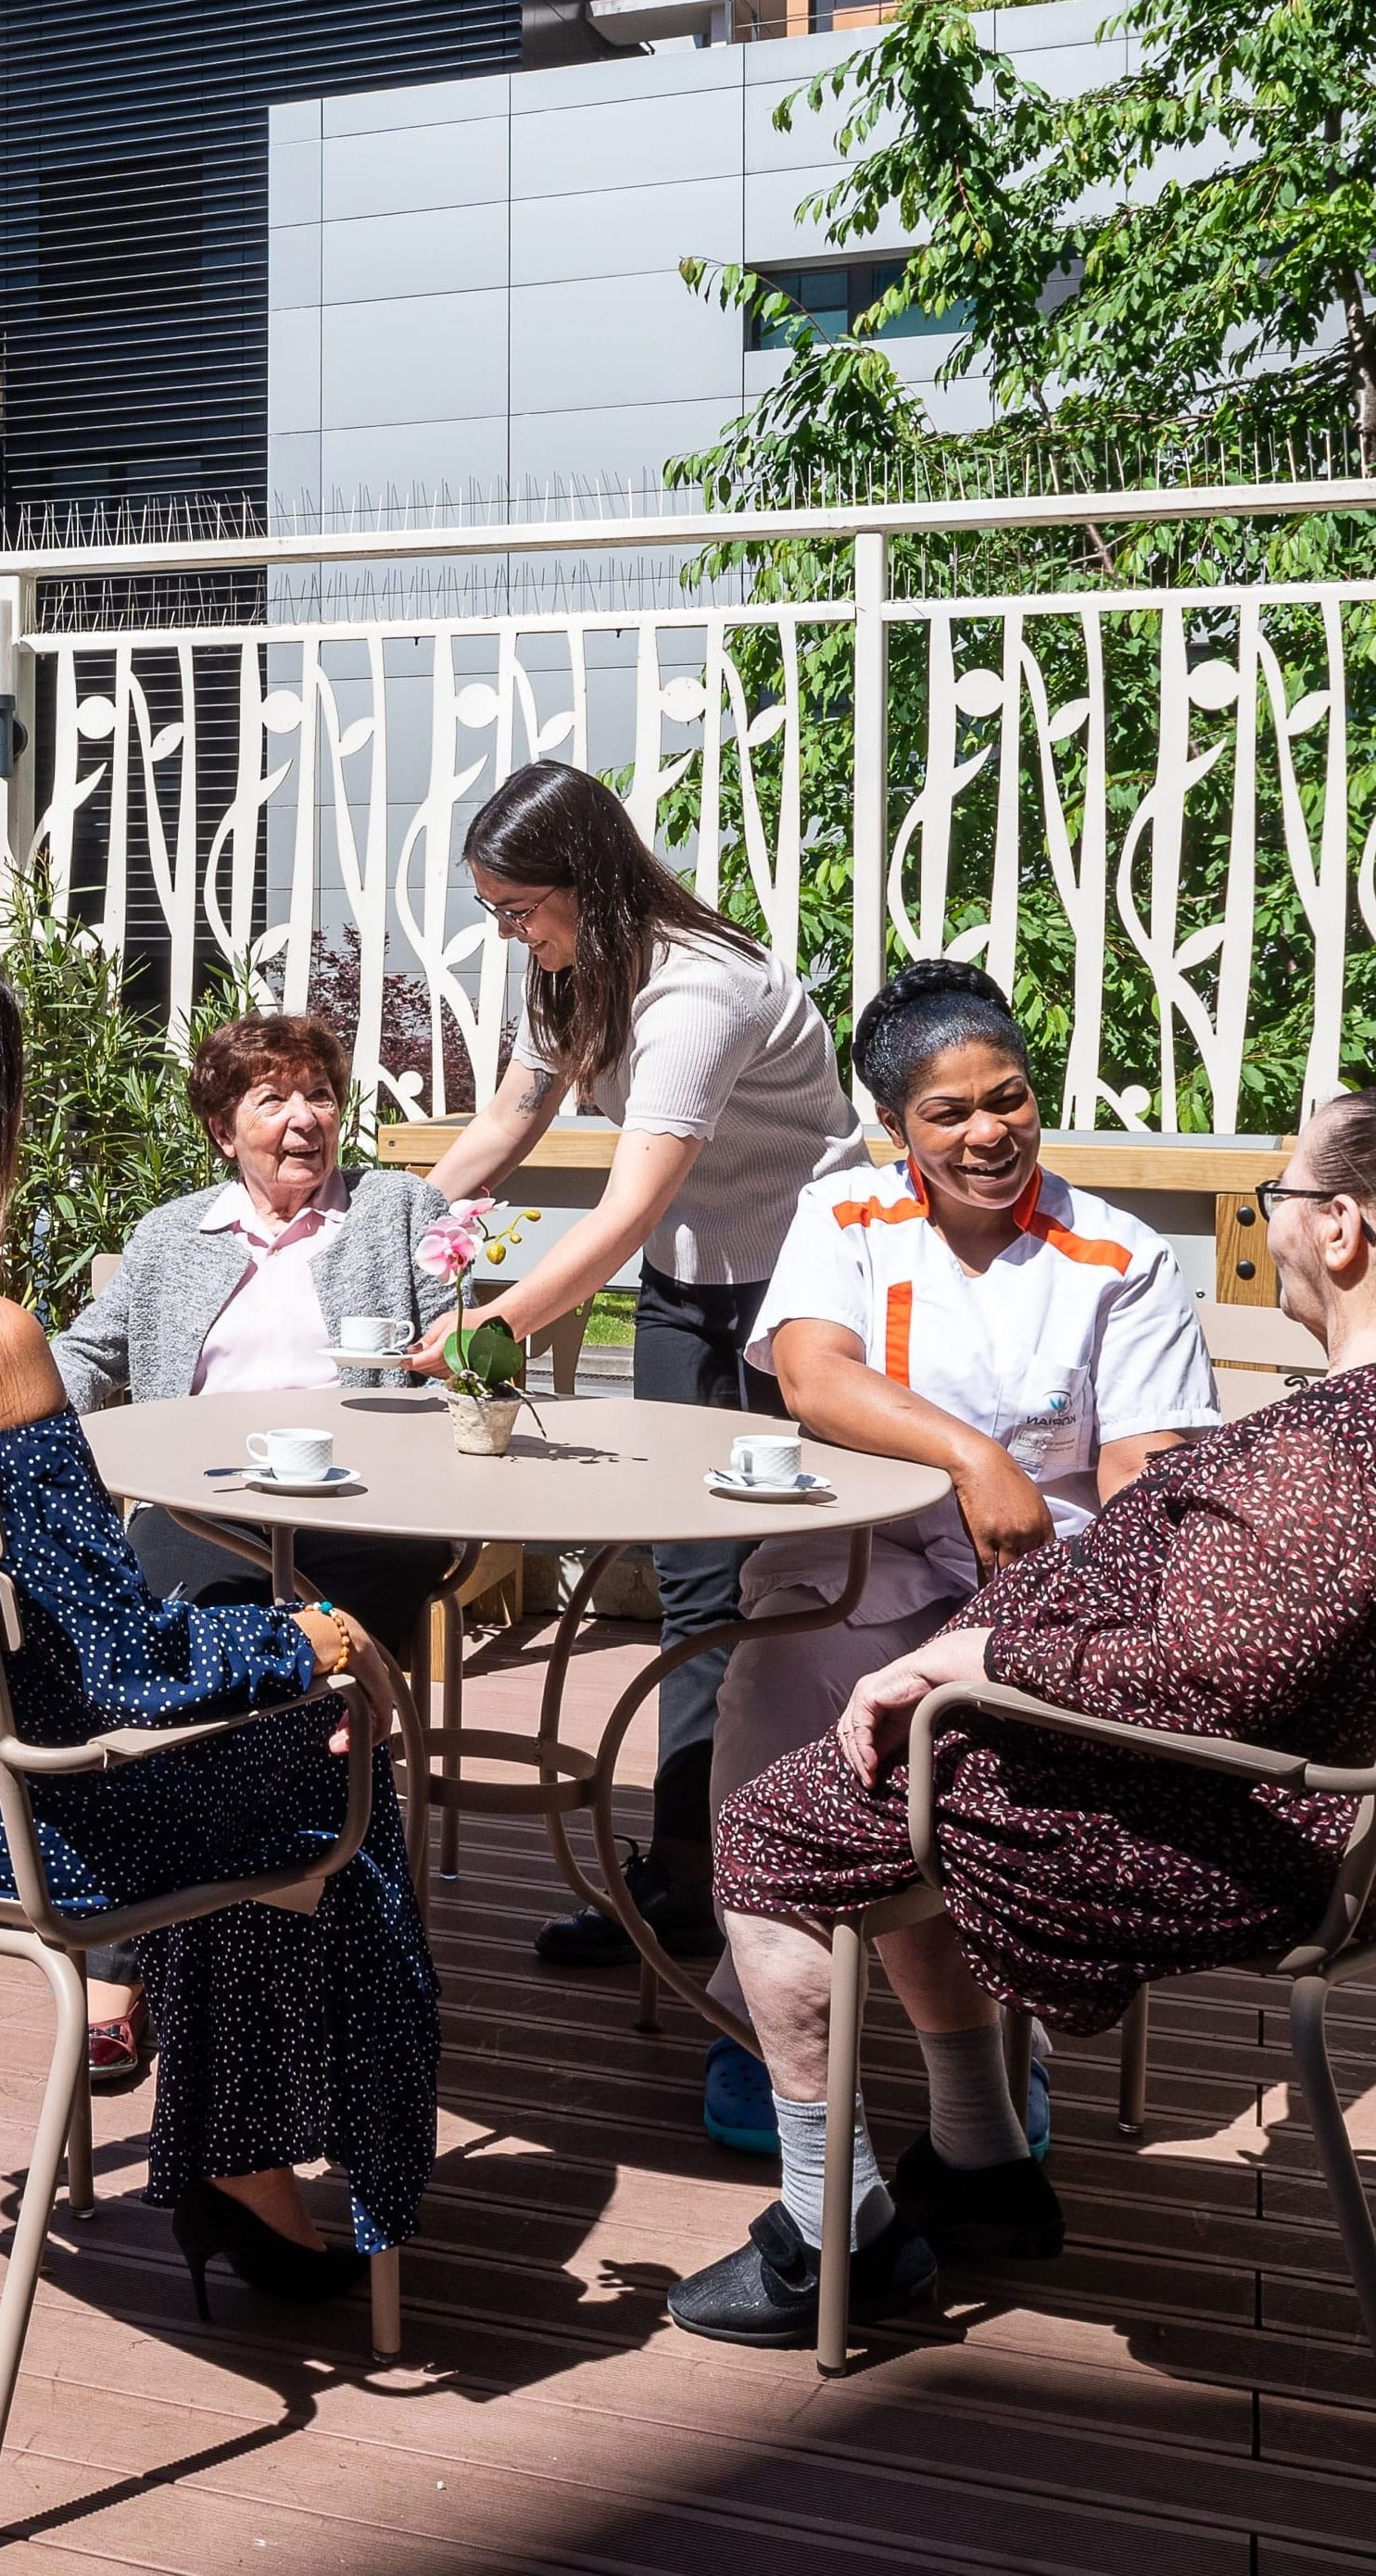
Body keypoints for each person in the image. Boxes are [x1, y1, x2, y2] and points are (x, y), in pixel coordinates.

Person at [666, 1083, 1376, 2348]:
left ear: (1343, 1232)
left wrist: (975, 1656)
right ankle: (980, 2159)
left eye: (1283, 1199)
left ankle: (835, 2232)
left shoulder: (1342, 1444)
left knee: (780, 1827)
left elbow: (1205, 1680)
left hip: (1273, 1832)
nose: (1270, 1228)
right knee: (904, 1781)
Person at [0, 951, 436, 2306]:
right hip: (17, 1811)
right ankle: (261, 2178)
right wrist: (316, 1640)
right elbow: (123, 1669)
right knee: (319, 1765)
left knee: (245, 1772)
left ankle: (240, 2168)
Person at [694, 959, 1220, 2156]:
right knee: (766, 1689)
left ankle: (995, 2049)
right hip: (855, 1562)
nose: (989, 1130)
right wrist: (974, 1457)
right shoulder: (844, 1216)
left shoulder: (1119, 1255)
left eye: (1009, 1097)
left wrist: (1064, 1604)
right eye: (949, 1111)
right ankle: (753, 2019)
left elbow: (1142, 1478)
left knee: (976, 1753)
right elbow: (810, 1371)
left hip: (1033, 1593)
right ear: (894, 1129)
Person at [413, 758, 867, 1966]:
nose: (510, 933)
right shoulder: (567, 971)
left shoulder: (696, 991)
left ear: (590, 881)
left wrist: (490, 1322)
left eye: (519, 908)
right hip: (687, 1287)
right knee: (691, 1583)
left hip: (804, 1300)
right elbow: (509, 1121)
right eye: (495, 912)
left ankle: (785, 1871)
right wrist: (393, 1232)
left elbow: (616, 1212)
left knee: (786, 1586)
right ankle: (682, 1875)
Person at [54, 1012, 458, 2088]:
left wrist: (459, 1345)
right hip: (198, 1509)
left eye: (317, 1091)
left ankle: (272, 1975)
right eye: (272, 1098)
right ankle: (138, 1964)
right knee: (147, 1678)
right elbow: (89, 1354)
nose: (304, 1118)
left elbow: (460, 1338)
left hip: (369, 1512)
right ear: (222, 1129)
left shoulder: (397, 1211)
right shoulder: (170, 1233)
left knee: (281, 1688)